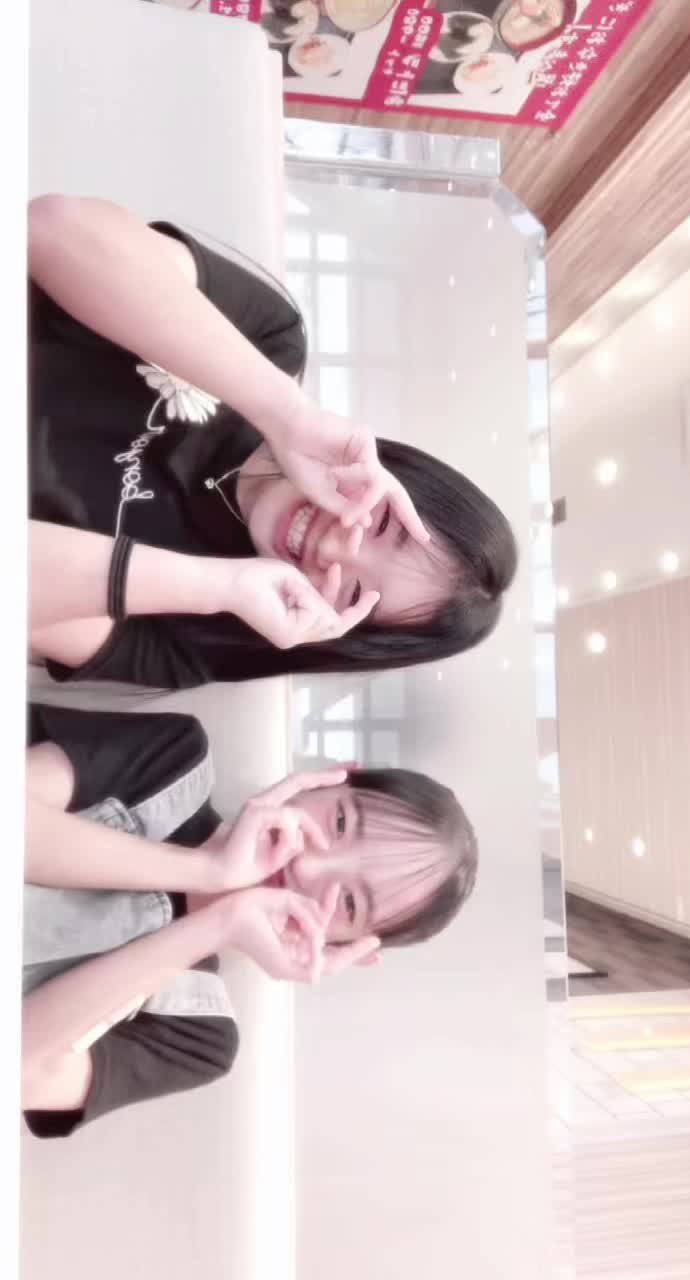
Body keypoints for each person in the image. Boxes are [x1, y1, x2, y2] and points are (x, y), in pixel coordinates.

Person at [29, 194, 517, 689]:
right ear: (393, 476)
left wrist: (216, 586)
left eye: (354, 594)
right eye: (381, 522)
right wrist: (283, 414)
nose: (335, 549)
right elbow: (49, 229)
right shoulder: (271, 342)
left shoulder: (197, 639)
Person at [23, 704, 478, 1138]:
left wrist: (216, 925)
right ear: (331, 778)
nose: (309, 868)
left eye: (351, 903)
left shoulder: (197, 1038)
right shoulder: (171, 761)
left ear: (346, 948)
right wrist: (206, 871)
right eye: (340, 822)